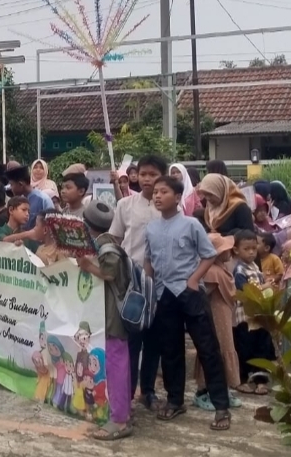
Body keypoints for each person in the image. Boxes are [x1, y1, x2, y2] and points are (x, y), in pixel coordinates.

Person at [147, 176, 231, 431]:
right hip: (164, 294)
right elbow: (148, 260)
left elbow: (208, 254)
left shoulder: (192, 224)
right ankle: (175, 401)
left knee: (207, 349)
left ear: (177, 196)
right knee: (170, 350)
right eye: (156, 193)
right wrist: (150, 286)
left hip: (189, 292)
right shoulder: (150, 228)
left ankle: (221, 407)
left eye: (164, 192)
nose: (158, 196)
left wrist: (194, 279)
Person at [109, 154, 166, 409]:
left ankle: (149, 391)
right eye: (143, 174)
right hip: (132, 284)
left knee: (154, 341)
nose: (147, 179)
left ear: (162, 177)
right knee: (131, 341)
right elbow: (114, 239)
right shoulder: (125, 206)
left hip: (161, 284)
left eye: (153, 174)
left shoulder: (169, 208)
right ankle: (127, 394)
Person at [77, 201, 132, 441]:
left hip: (113, 316)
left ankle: (119, 420)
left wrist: (89, 267)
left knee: (116, 365)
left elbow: (109, 274)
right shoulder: (102, 243)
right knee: (115, 364)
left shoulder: (107, 249)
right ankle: (119, 411)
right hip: (106, 315)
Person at [193, 233, 242, 411]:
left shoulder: (221, 268)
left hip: (224, 316)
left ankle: (222, 388)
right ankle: (204, 391)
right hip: (215, 317)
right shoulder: (212, 271)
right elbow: (203, 294)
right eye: (224, 249)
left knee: (226, 347)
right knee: (216, 349)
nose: (229, 251)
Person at [230, 230, 275, 395]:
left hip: (259, 316)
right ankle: (242, 379)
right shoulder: (239, 270)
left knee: (261, 348)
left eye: (253, 249)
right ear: (236, 250)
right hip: (245, 318)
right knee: (244, 349)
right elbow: (246, 291)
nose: (251, 252)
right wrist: (265, 287)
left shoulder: (255, 267)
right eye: (246, 249)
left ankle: (261, 381)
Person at [4, 165, 54, 235]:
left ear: (20, 184)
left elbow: (51, 226)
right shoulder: (19, 200)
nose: (11, 189)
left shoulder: (42, 199)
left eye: (12, 185)